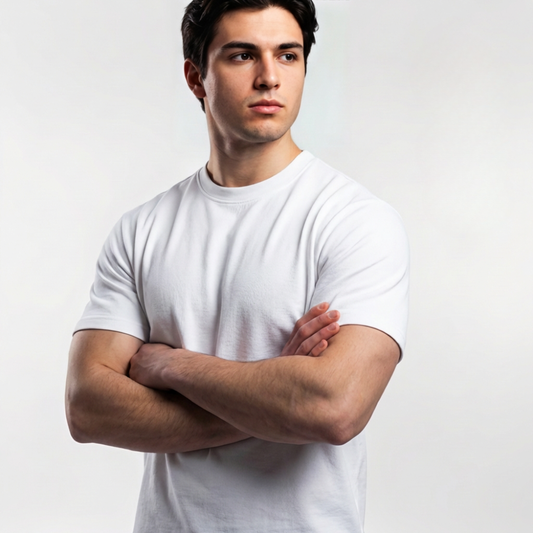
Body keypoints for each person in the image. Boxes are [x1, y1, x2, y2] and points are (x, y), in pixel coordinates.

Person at [65, 0, 409, 531]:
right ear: (195, 78)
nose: (269, 77)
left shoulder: (355, 221)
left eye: (288, 55)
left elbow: (334, 408)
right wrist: (277, 397)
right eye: (243, 55)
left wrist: (172, 367)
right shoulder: (142, 229)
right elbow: (87, 407)